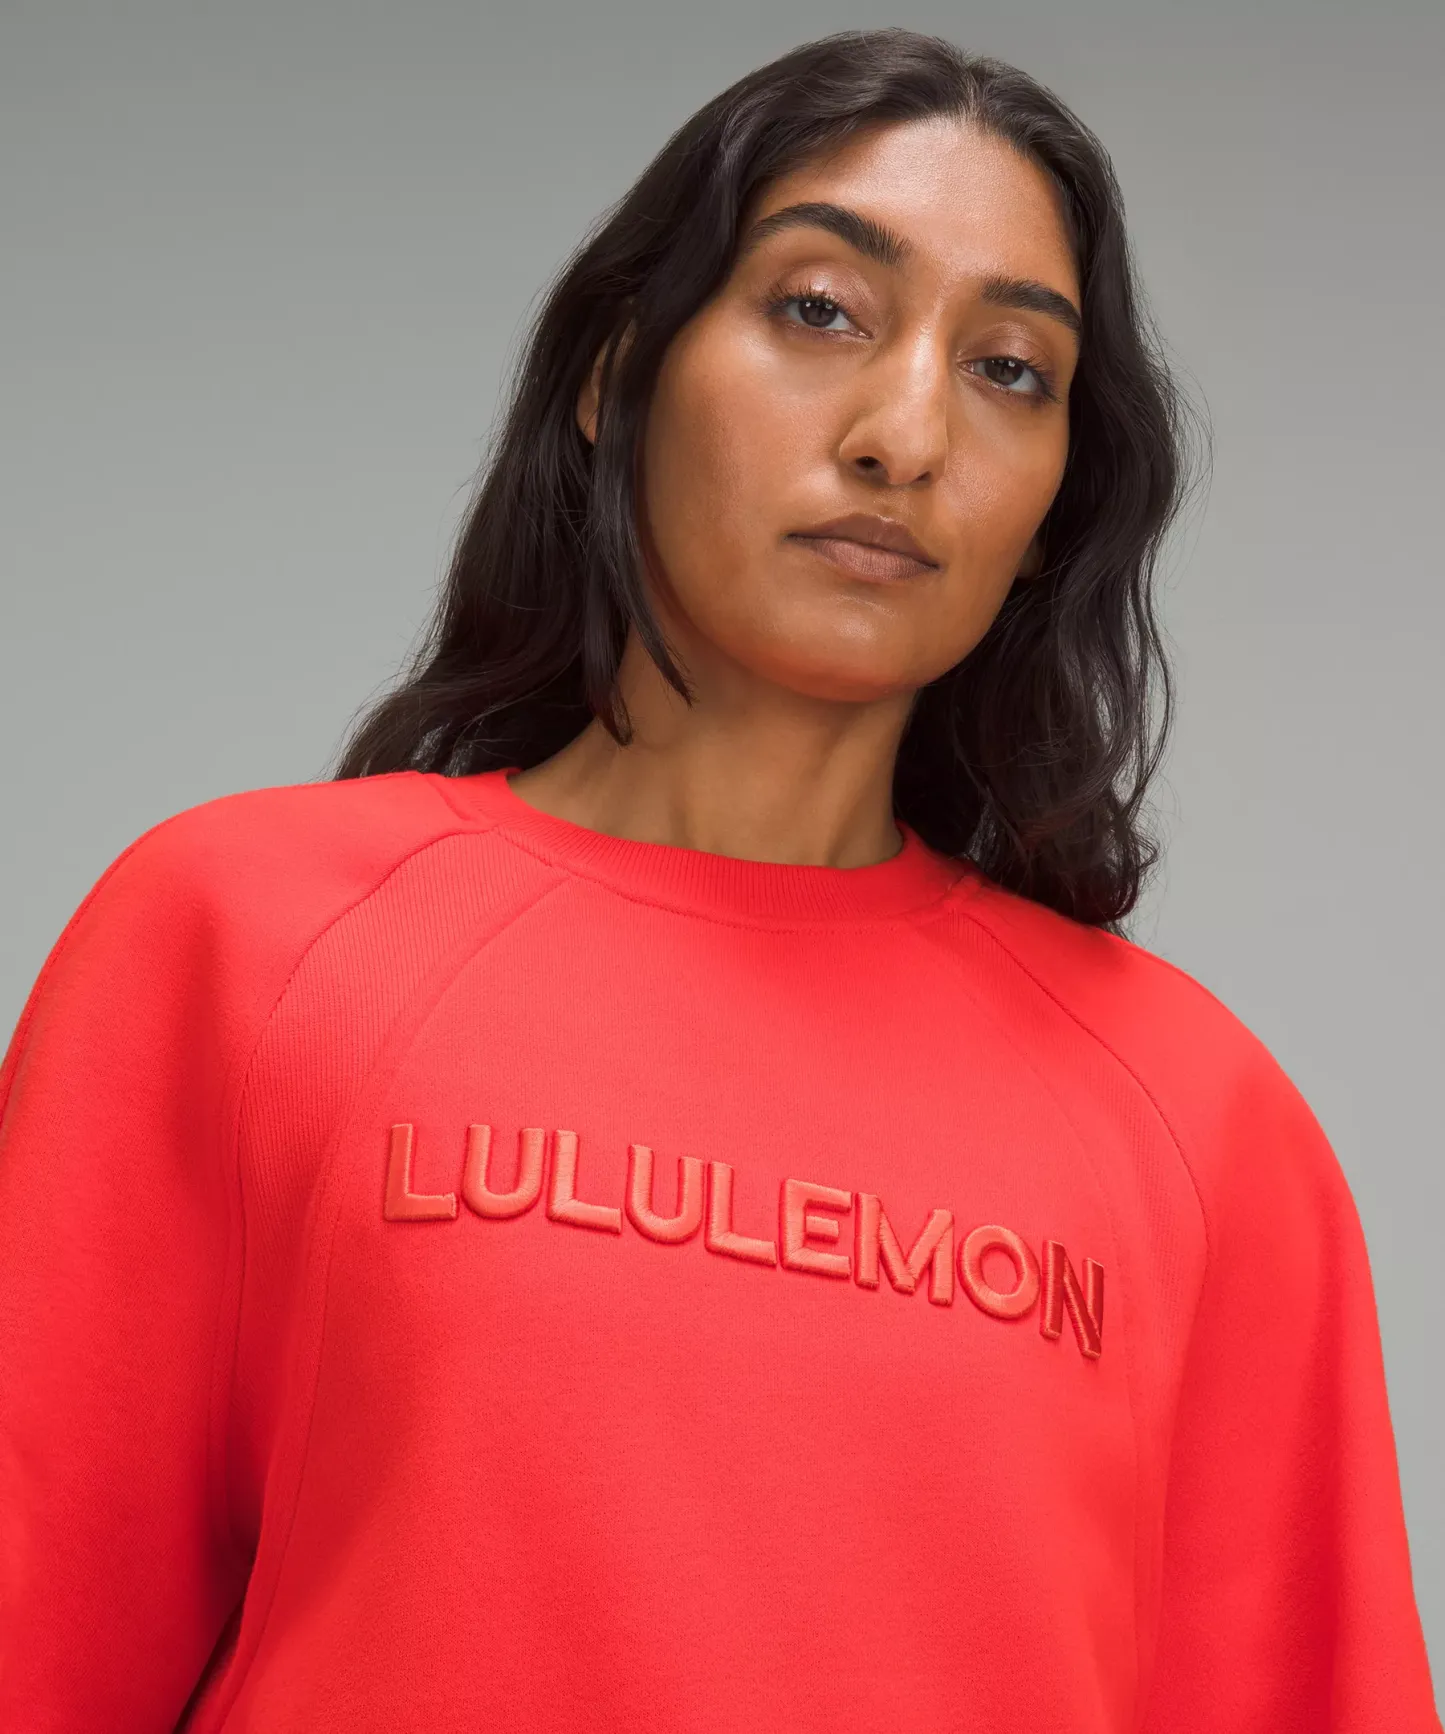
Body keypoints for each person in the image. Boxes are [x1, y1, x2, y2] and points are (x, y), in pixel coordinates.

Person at [0, 26, 1437, 1733]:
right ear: (620, 371)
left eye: (1010, 369)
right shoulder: (243, 949)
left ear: (1057, 506)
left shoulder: (1207, 1129)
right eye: (820, 309)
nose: (906, 434)